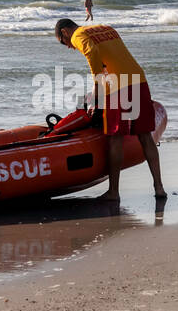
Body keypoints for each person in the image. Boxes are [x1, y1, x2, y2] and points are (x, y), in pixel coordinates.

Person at [54, 18, 165, 201]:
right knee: (145, 136)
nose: (68, 46)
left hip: (118, 87)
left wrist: (96, 90)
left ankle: (114, 192)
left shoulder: (77, 35)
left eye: (63, 42)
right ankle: (159, 188)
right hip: (139, 80)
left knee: (115, 137)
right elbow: (117, 56)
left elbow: (92, 52)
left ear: (65, 32)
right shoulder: (105, 28)